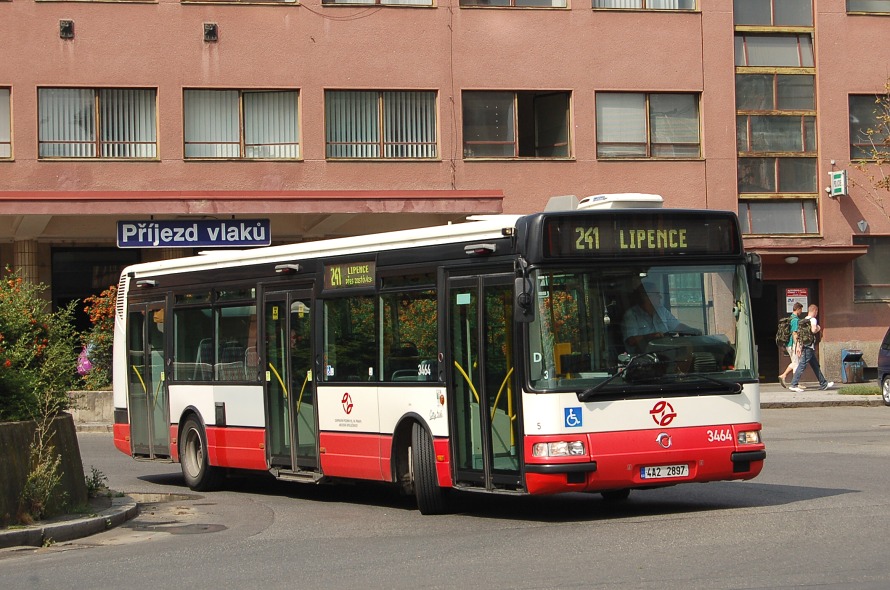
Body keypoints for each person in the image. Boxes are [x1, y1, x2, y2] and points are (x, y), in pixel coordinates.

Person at [622, 281, 699, 354]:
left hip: (667, 353)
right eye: (657, 294)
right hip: (644, 357)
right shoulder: (631, 315)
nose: (660, 297)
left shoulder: (661, 309)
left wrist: (692, 330)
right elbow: (631, 341)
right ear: (646, 297)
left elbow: (677, 326)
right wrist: (651, 336)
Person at [789, 304, 834, 392]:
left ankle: (823, 383)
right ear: (815, 311)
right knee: (802, 365)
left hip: (805, 346)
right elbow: (813, 330)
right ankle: (793, 384)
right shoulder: (813, 319)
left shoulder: (804, 320)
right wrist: (818, 328)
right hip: (808, 347)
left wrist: (798, 346)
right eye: (816, 312)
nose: (817, 313)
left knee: (815, 365)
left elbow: (798, 335)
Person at [778, 302, 805, 389]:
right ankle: (792, 381)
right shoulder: (795, 320)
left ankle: (792, 380)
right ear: (798, 309)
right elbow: (794, 333)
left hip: (789, 344)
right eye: (801, 309)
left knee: (795, 362)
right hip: (792, 344)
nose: (801, 311)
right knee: (796, 363)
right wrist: (797, 346)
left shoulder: (790, 318)